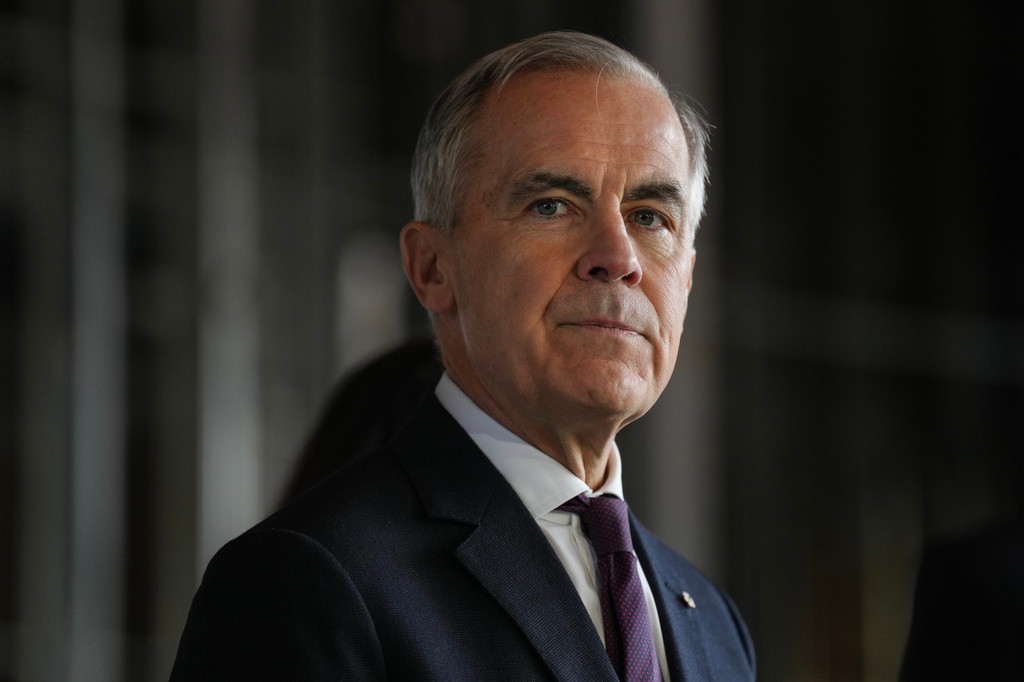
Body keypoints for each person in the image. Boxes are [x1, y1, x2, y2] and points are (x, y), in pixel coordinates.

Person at [170, 31, 755, 681]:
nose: (617, 259)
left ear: (688, 277)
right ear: (432, 268)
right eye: (552, 205)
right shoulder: (309, 582)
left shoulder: (716, 626)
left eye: (650, 217)